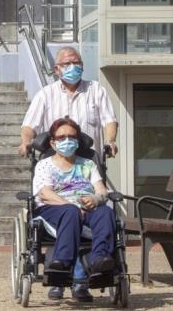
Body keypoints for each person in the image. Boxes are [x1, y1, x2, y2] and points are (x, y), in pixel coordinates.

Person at [19, 46, 119, 302]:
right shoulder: (46, 95)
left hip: (86, 168)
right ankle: (64, 274)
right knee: (70, 213)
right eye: (67, 63)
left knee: (105, 212)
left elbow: (109, 120)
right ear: (57, 69)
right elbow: (29, 125)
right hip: (62, 201)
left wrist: (110, 141)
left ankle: (99, 265)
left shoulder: (95, 90)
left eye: (77, 62)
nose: (73, 66)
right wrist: (26, 142)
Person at [33, 117, 117, 299]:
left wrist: (96, 198)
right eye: (61, 137)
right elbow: (45, 193)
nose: (67, 140)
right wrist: (71, 205)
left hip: (87, 208)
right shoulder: (44, 165)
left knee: (106, 211)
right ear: (53, 142)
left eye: (71, 137)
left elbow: (102, 190)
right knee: (70, 212)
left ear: (78, 141)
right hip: (54, 208)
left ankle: (99, 261)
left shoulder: (88, 164)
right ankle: (62, 264)